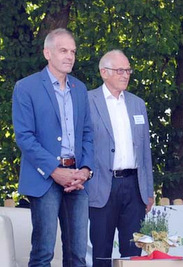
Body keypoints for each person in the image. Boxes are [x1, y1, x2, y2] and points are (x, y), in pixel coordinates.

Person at [12, 28, 93, 266]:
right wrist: (55, 171)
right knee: (43, 253)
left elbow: (88, 133)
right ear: (47, 53)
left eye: (73, 52)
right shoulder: (26, 87)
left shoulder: (80, 89)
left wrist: (86, 170)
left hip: (77, 181)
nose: (70, 56)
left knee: (78, 255)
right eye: (63, 50)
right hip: (45, 180)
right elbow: (25, 137)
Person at [87, 50, 154, 266]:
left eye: (128, 70)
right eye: (120, 70)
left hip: (134, 188)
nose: (126, 74)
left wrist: (149, 190)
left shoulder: (138, 104)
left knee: (134, 253)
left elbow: (145, 151)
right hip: (102, 186)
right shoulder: (87, 101)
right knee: (101, 251)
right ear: (104, 72)